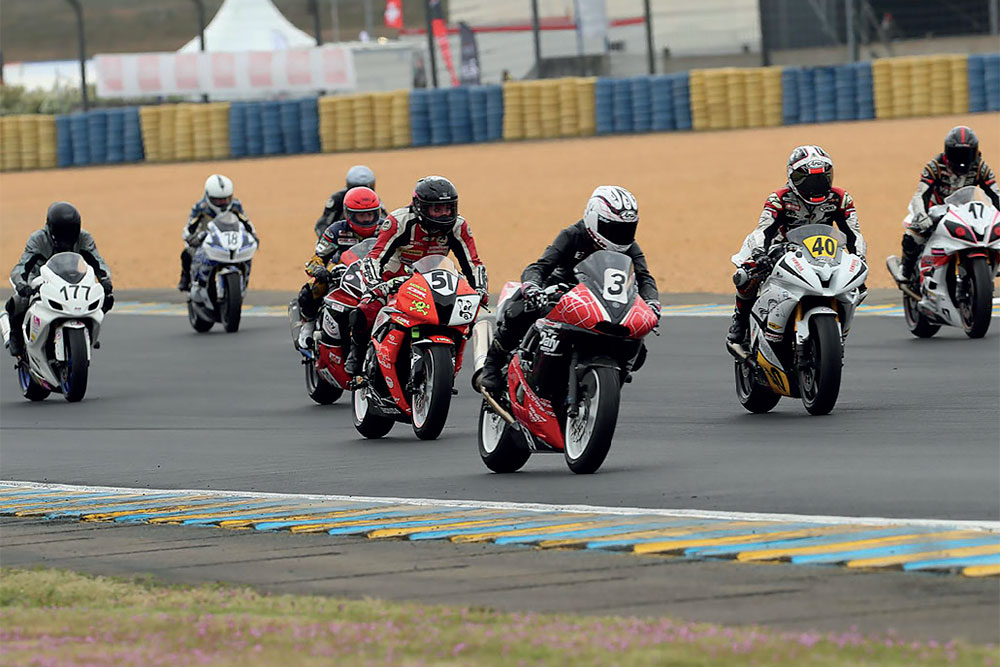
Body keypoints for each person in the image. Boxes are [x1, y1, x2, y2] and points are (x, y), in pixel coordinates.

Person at [478, 185, 660, 393]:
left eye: (626, 230)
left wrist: (652, 303)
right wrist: (533, 287)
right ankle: (492, 364)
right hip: (562, 293)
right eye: (613, 229)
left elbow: (645, 279)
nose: (620, 237)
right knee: (520, 309)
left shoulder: (630, 247)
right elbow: (540, 267)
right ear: (593, 219)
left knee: (638, 348)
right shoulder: (573, 235)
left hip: (602, 302)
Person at [346, 175, 489, 380]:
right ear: (420, 206)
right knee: (366, 308)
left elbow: (473, 262)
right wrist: (375, 286)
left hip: (434, 275)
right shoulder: (399, 221)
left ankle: (455, 361)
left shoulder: (459, 226)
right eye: (436, 209)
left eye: (448, 208)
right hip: (394, 275)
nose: (443, 214)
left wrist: (481, 289)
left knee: (467, 311)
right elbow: (375, 257)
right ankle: (358, 354)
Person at [726, 145, 866, 344]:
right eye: (806, 178)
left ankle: (836, 330)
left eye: (822, 177)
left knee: (854, 284)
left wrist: (859, 258)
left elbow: (853, 235)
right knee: (746, 274)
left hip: (824, 251)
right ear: (792, 177)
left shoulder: (840, 198)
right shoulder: (779, 198)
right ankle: (740, 319)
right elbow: (763, 230)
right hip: (780, 249)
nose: (815, 184)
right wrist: (759, 255)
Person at [6, 202, 114, 358]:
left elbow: (98, 262)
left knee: (107, 298)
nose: (67, 238)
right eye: (62, 233)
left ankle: (89, 329)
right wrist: (22, 285)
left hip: (72, 278)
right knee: (19, 302)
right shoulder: (38, 239)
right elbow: (21, 267)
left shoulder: (84, 238)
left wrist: (105, 280)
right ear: (50, 229)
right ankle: (16, 334)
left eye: (70, 233)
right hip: (39, 280)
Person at [899, 126, 999, 284]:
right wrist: (922, 215)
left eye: (967, 154)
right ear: (947, 152)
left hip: (966, 210)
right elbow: (921, 194)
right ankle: (906, 268)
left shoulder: (981, 167)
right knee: (914, 233)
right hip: (935, 209)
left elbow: (995, 195)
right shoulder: (935, 166)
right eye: (957, 154)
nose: (962, 159)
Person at [296, 186, 384, 349]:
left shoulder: (385, 229)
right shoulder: (336, 230)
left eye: (370, 214)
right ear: (349, 214)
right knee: (311, 290)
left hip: (378, 276)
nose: (366, 220)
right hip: (342, 276)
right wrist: (319, 270)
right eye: (361, 215)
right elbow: (318, 257)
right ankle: (308, 324)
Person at [178, 174, 256, 291]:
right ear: (208, 196)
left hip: (229, 239)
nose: (223, 202)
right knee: (186, 254)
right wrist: (190, 238)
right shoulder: (200, 207)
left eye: (226, 199)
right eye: (218, 200)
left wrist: (253, 235)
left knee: (247, 256)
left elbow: (246, 222)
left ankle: (244, 282)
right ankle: (186, 278)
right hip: (207, 239)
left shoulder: (235, 205)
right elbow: (189, 227)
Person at [314, 165, 384, 238]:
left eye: (369, 214)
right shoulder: (337, 198)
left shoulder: (373, 199)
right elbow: (323, 223)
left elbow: (386, 222)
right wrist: (329, 238)